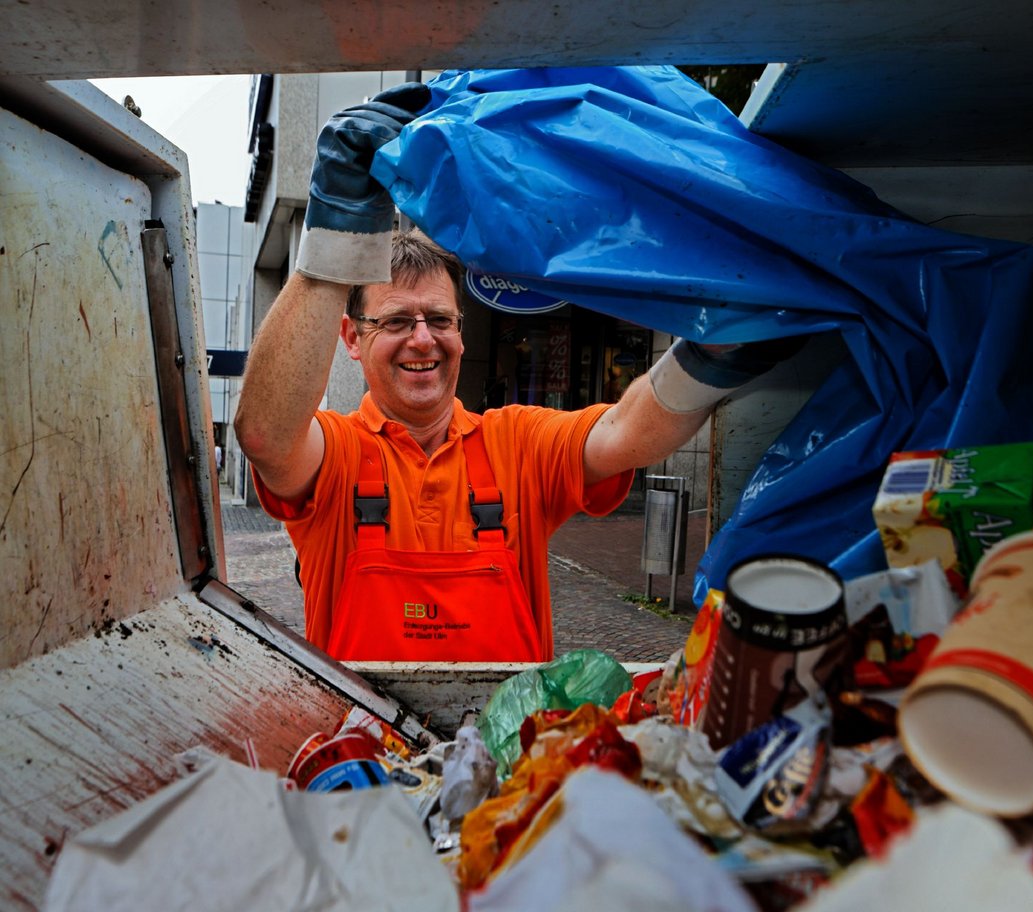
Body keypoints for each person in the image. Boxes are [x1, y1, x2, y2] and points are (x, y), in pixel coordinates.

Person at [234, 83, 798, 663]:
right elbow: (266, 436)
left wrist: (709, 359)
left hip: (514, 752)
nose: (423, 339)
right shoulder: (335, 453)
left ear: (460, 330)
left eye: (439, 319)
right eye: (397, 321)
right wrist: (336, 234)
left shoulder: (517, 444)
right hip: (366, 747)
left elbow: (626, 432)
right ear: (352, 338)